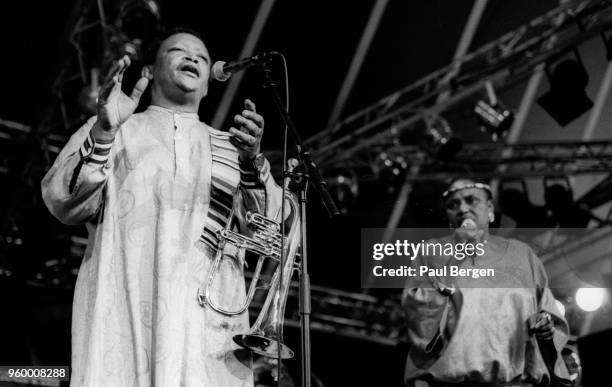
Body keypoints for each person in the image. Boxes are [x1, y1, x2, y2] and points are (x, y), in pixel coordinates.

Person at [41, 28, 285, 386]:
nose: (192, 59)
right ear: (150, 71)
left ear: (206, 86)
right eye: (178, 51)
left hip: (207, 326)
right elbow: (62, 200)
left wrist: (253, 163)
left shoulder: (232, 149)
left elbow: (273, 234)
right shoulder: (119, 129)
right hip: (125, 308)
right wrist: (104, 131)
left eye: (201, 58)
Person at [402, 178, 572, 387]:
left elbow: (549, 316)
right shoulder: (433, 252)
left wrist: (545, 328)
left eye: (471, 200)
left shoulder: (523, 255)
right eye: (452, 205)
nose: (462, 208)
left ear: (490, 209)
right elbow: (419, 316)